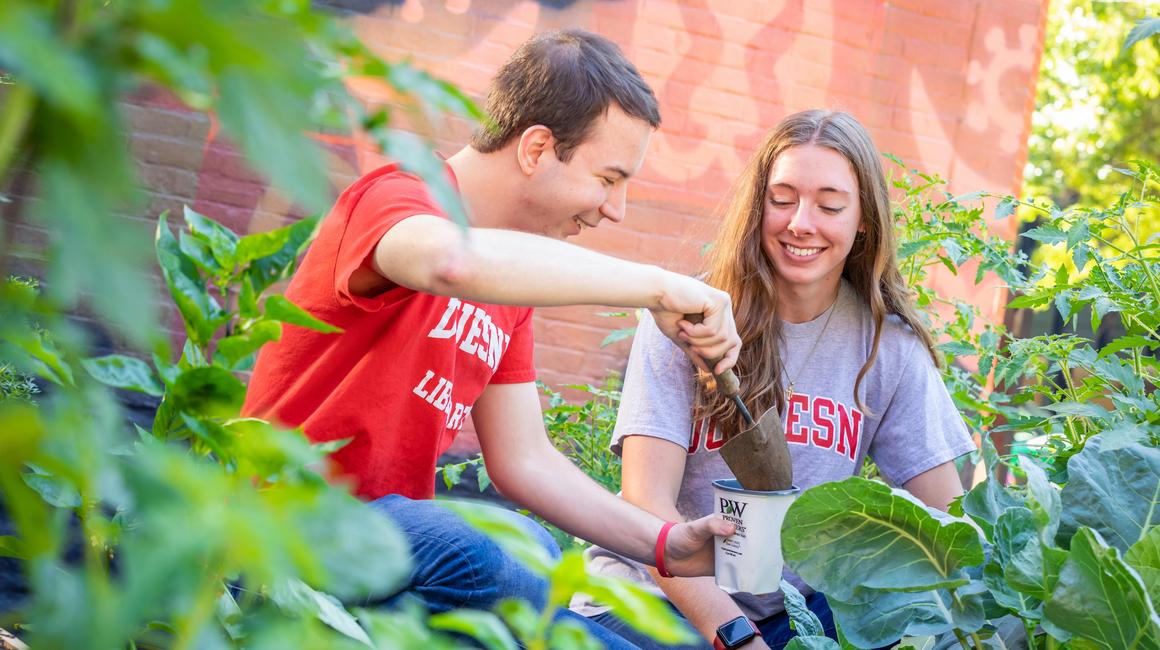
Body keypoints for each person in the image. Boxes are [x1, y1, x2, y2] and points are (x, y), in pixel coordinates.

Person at [242, 28, 740, 645]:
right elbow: (448, 262)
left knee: (556, 585)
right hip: (279, 533)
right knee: (501, 551)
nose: (616, 208)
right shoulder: (397, 197)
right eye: (610, 178)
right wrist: (659, 288)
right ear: (535, 148)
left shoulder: (514, 282)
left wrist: (667, 545)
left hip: (394, 559)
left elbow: (524, 460)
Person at [572, 110, 977, 650]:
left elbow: (950, 523)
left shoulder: (888, 349)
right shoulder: (690, 318)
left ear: (863, 220)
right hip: (654, 600)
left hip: (793, 616)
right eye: (781, 199)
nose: (800, 223)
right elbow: (647, 505)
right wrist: (737, 638)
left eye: (830, 205)